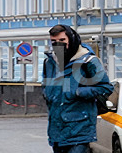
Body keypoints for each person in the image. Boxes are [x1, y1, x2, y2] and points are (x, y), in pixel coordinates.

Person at [42, 24, 110, 153]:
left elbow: (105, 87)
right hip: (56, 129)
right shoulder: (49, 62)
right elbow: (46, 86)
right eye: (53, 41)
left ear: (71, 39)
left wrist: (78, 92)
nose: (58, 44)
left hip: (79, 128)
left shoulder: (88, 61)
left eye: (62, 40)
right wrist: (47, 93)